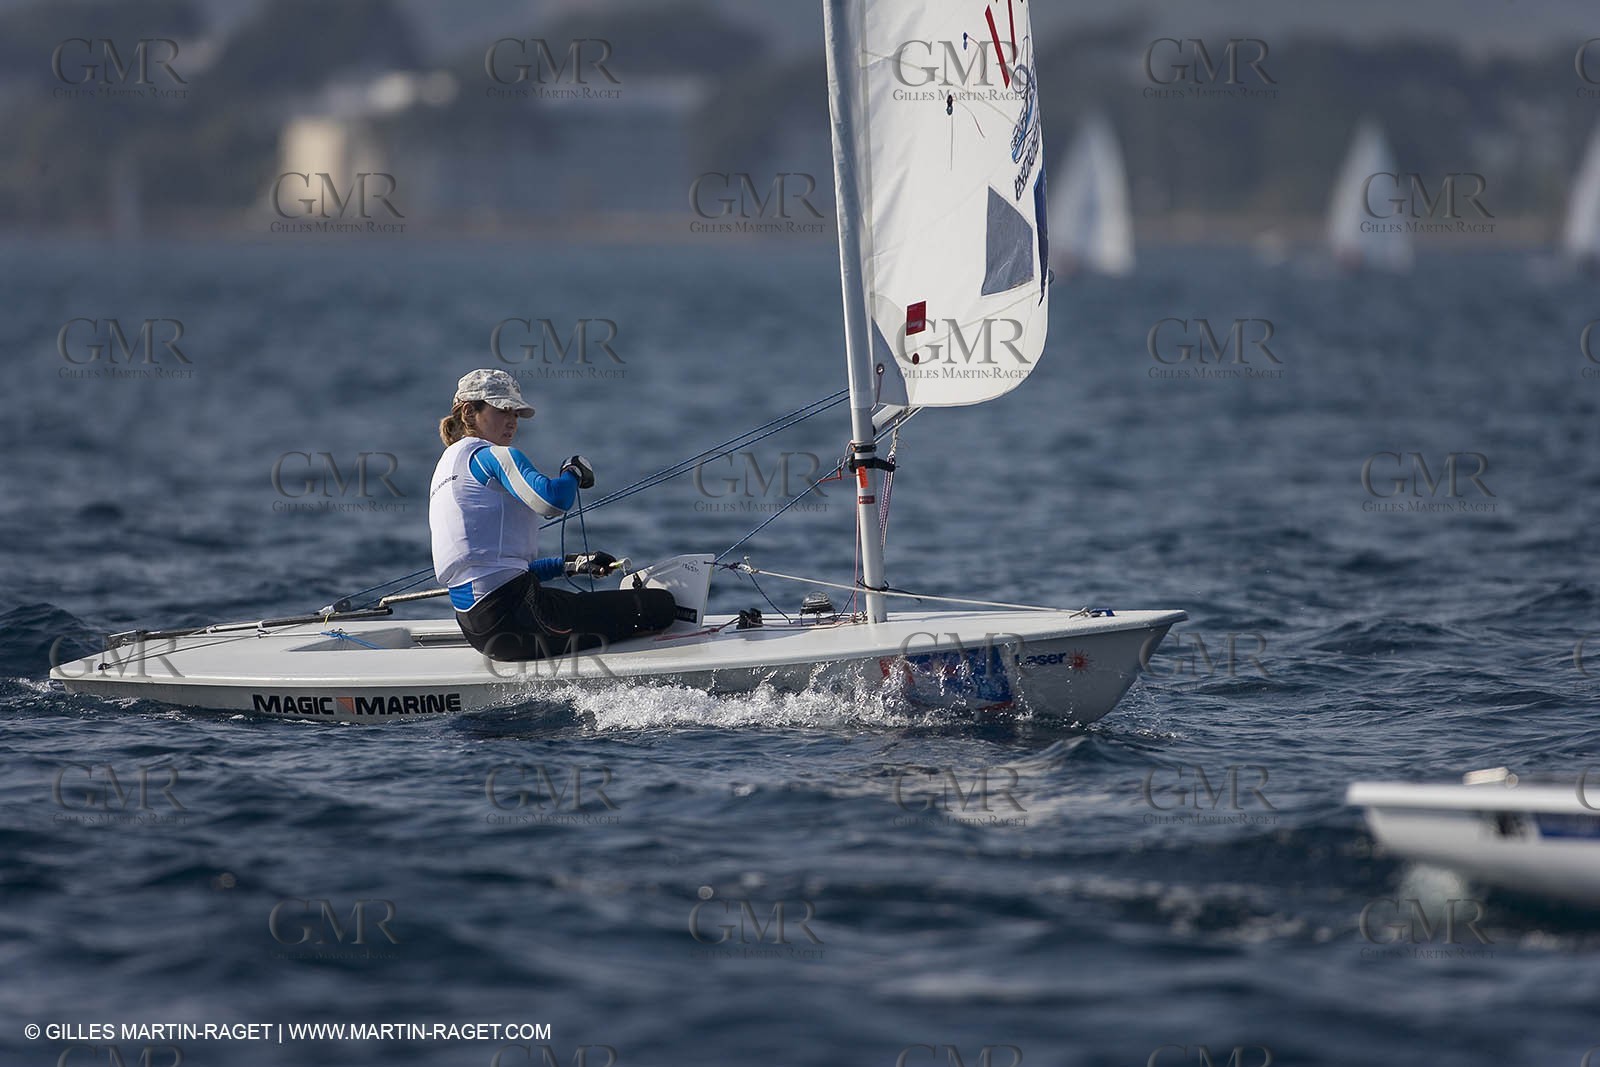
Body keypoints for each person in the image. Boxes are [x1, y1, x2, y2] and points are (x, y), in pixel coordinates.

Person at [429, 369, 676, 662]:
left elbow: (496, 568)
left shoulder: (445, 468)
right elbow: (554, 501)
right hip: (516, 618)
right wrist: (572, 471)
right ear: (470, 411)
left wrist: (569, 565)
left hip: (479, 629)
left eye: (516, 413)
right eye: (503, 409)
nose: (512, 420)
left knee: (591, 609)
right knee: (661, 605)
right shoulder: (494, 456)